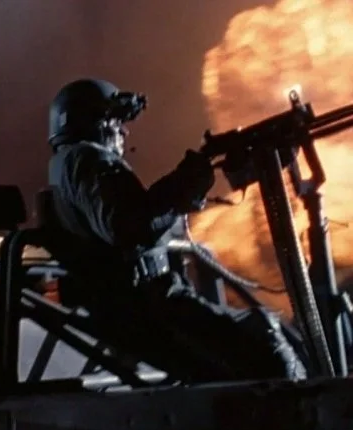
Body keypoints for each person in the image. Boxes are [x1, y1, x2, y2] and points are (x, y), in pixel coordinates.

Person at [45, 78, 306, 383]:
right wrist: (186, 181)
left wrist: (189, 182)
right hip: (148, 307)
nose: (123, 132)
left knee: (265, 330)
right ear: (94, 122)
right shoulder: (85, 159)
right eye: (115, 122)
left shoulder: (72, 163)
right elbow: (131, 226)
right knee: (269, 348)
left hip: (146, 302)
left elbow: (134, 218)